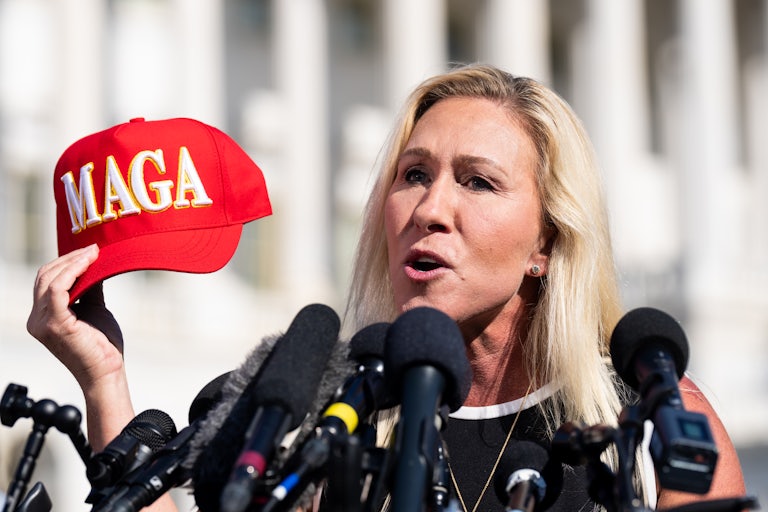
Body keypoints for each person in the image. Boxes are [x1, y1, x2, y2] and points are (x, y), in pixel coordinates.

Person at [27, 64, 746, 512]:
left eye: (478, 181)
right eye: (412, 175)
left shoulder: (654, 418)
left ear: (547, 243)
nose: (429, 209)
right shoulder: (331, 410)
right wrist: (105, 379)